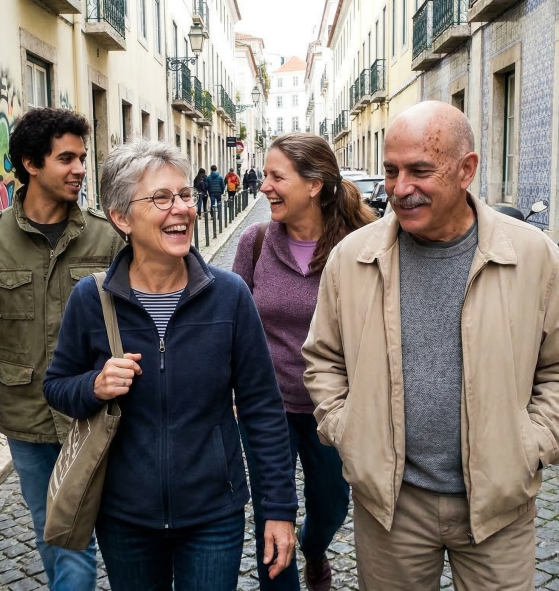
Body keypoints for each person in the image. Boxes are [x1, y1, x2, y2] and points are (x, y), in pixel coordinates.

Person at [302, 101, 559, 590]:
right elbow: (323, 359)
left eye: (420, 170)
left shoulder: (531, 255)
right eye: (392, 171)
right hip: (390, 506)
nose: (400, 188)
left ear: (467, 170)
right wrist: (347, 429)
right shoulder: (353, 258)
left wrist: (532, 444)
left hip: (498, 505)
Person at [43, 138, 298, 591]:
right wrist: (95, 386)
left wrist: (278, 509)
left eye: (185, 195)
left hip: (213, 513)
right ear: (122, 218)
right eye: (161, 198)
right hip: (125, 516)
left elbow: (262, 408)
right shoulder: (92, 298)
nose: (181, 209)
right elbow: (57, 386)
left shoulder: (230, 295)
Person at [0, 107, 123, 590]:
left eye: (82, 158)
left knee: (110, 526)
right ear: (31, 163)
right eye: (66, 158)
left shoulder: (106, 236)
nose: (80, 169)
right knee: (57, 533)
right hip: (27, 416)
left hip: (96, 410)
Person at [233, 132, 377, 591]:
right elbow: (233, 323)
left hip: (332, 407)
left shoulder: (358, 246)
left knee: (332, 505)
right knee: (273, 514)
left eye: (277, 176)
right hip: (266, 408)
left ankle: (314, 550)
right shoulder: (255, 243)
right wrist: (231, 390)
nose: (264, 186)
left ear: (314, 185)